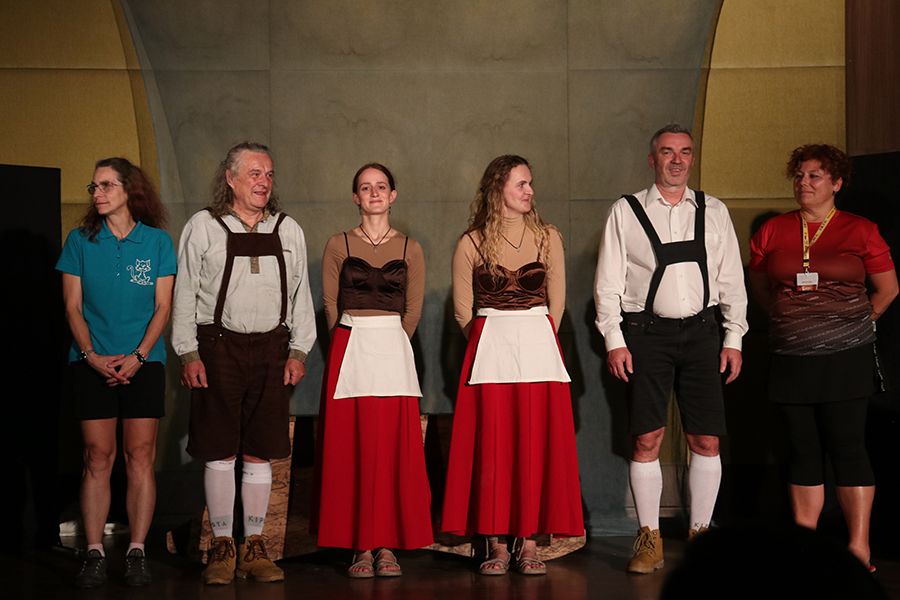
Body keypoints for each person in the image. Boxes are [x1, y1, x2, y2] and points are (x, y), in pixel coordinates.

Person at [594, 124, 748, 574]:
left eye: (684, 152)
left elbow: (731, 280)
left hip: (703, 334)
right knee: (647, 438)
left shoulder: (713, 210)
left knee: (706, 439)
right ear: (652, 160)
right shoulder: (626, 211)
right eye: (667, 152)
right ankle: (649, 539)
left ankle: (701, 537)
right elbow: (607, 285)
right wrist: (614, 341)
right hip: (646, 335)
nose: (677, 160)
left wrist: (733, 338)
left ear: (692, 158)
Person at [172, 142, 316, 585]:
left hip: (272, 349)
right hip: (217, 347)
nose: (263, 182)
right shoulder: (203, 226)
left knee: (260, 447)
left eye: (269, 174)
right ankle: (222, 546)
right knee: (219, 447)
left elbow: (301, 295)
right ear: (230, 178)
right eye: (254, 173)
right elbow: (184, 292)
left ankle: (254, 546)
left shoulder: (287, 229)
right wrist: (188, 352)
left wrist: (299, 351)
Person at [748, 144, 897, 572]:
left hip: (846, 358)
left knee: (848, 448)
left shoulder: (860, 229)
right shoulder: (773, 230)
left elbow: (888, 289)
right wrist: (793, 321)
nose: (804, 183)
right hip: (791, 358)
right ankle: (805, 547)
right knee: (802, 451)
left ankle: (858, 547)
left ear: (836, 183)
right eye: (799, 175)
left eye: (815, 176)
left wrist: (853, 323)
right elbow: (760, 288)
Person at [442, 155, 584, 576]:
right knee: (494, 446)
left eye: (530, 183)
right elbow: (463, 311)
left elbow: (557, 303)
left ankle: (529, 539)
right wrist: (493, 340)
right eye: (521, 183)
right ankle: (497, 542)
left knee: (534, 443)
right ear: (498, 188)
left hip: (538, 349)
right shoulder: (471, 242)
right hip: (491, 351)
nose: (530, 191)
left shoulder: (547, 237)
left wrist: (532, 336)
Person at [58, 158, 175, 588]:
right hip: (92, 363)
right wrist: (91, 356)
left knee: (140, 456)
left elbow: (163, 307)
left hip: (144, 363)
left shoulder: (157, 242)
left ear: (130, 189)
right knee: (97, 456)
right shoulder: (80, 241)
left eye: (107, 185)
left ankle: (136, 551)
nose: (98, 193)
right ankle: (93, 551)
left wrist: (139, 356)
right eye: (94, 186)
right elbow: (72, 307)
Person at [313, 163, 432, 578]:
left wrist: (389, 339)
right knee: (354, 447)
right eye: (366, 187)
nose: (374, 193)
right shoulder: (338, 243)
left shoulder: (410, 248)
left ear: (393, 195)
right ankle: (360, 545)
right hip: (350, 347)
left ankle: (387, 545)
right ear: (355, 197)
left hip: (393, 347)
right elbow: (330, 305)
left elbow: (413, 310)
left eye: (381, 187)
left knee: (392, 447)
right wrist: (350, 341)